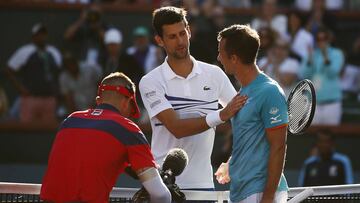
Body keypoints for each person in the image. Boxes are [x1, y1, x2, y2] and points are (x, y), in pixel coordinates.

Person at [139, 6, 247, 191]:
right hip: (162, 189)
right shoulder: (150, 82)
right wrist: (221, 115)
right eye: (172, 36)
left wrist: (234, 158)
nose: (180, 41)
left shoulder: (214, 74)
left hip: (203, 186)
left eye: (182, 33)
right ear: (159, 40)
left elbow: (245, 117)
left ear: (189, 31)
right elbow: (176, 128)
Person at [40, 72, 171, 203]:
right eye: (130, 111)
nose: (128, 117)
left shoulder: (70, 120)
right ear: (126, 102)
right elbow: (160, 195)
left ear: (98, 101)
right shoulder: (127, 128)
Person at [215, 24, 289, 203]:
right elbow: (251, 139)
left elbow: (278, 147)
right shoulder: (242, 93)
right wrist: (231, 164)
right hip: (242, 192)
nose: (218, 58)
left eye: (221, 53)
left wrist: (268, 197)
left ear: (233, 58)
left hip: (260, 193)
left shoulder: (269, 91)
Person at [4, 23, 62, 124]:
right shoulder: (25, 51)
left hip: (49, 98)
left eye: (43, 34)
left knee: (48, 131)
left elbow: (59, 72)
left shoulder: (53, 52)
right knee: (27, 128)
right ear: (33, 36)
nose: (41, 37)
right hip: (31, 98)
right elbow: (9, 70)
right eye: (38, 34)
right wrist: (20, 88)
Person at [300, 27, 344, 125]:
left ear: (329, 40)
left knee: (332, 133)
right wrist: (310, 60)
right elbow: (304, 75)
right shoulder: (310, 54)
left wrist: (325, 56)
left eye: (324, 38)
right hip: (313, 103)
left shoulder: (337, 54)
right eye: (319, 39)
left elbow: (332, 73)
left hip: (332, 103)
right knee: (313, 133)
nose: (321, 42)